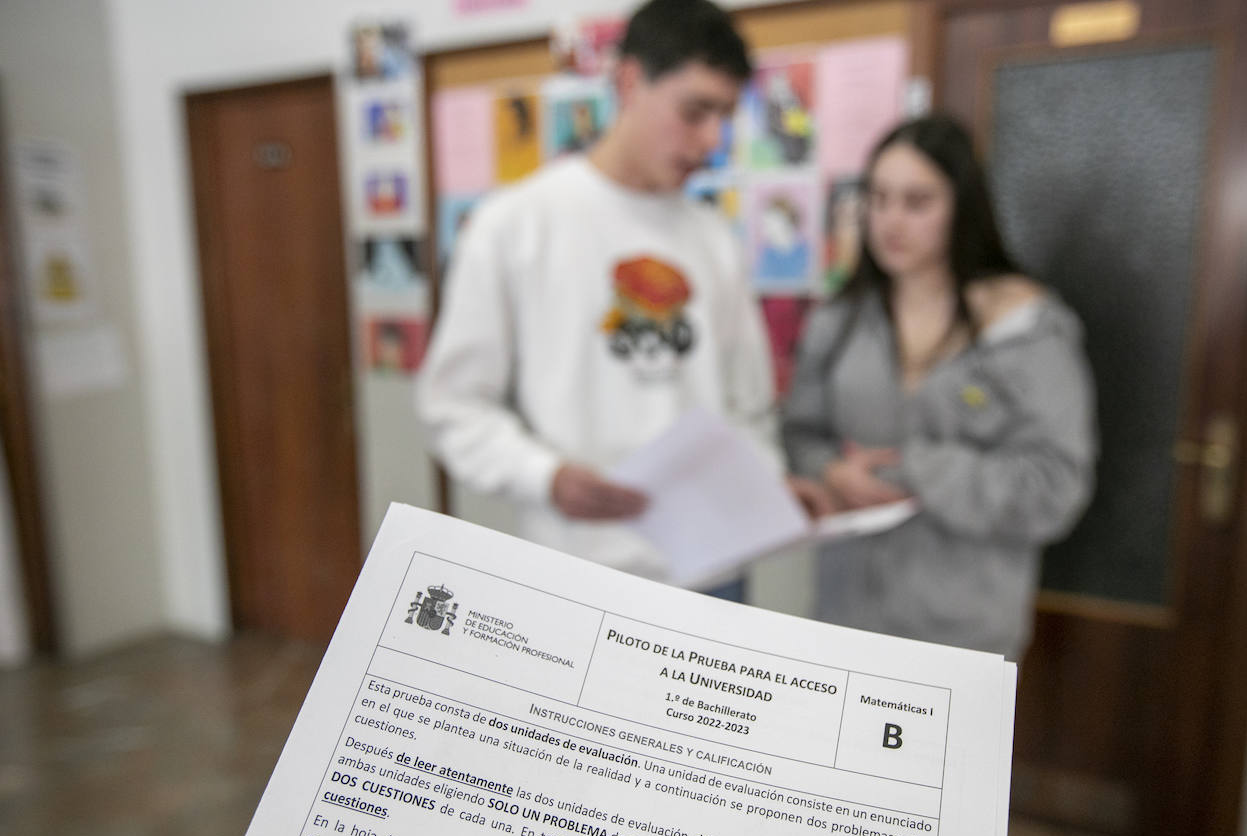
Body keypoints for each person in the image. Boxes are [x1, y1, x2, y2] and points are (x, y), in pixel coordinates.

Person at [416, 0, 824, 597]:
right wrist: (546, 477)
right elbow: (453, 407)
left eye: (725, 116)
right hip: (575, 577)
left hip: (712, 572)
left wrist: (769, 484)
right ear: (630, 81)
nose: (712, 140)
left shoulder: (714, 238)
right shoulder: (517, 224)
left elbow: (747, 407)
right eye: (695, 111)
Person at [782, 114, 1096, 660]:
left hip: (964, 629)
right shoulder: (841, 320)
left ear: (962, 208)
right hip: (844, 620)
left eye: (916, 202)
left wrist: (918, 470)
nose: (889, 221)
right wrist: (829, 472)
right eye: (877, 199)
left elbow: (1056, 486)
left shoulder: (1023, 330)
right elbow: (798, 435)